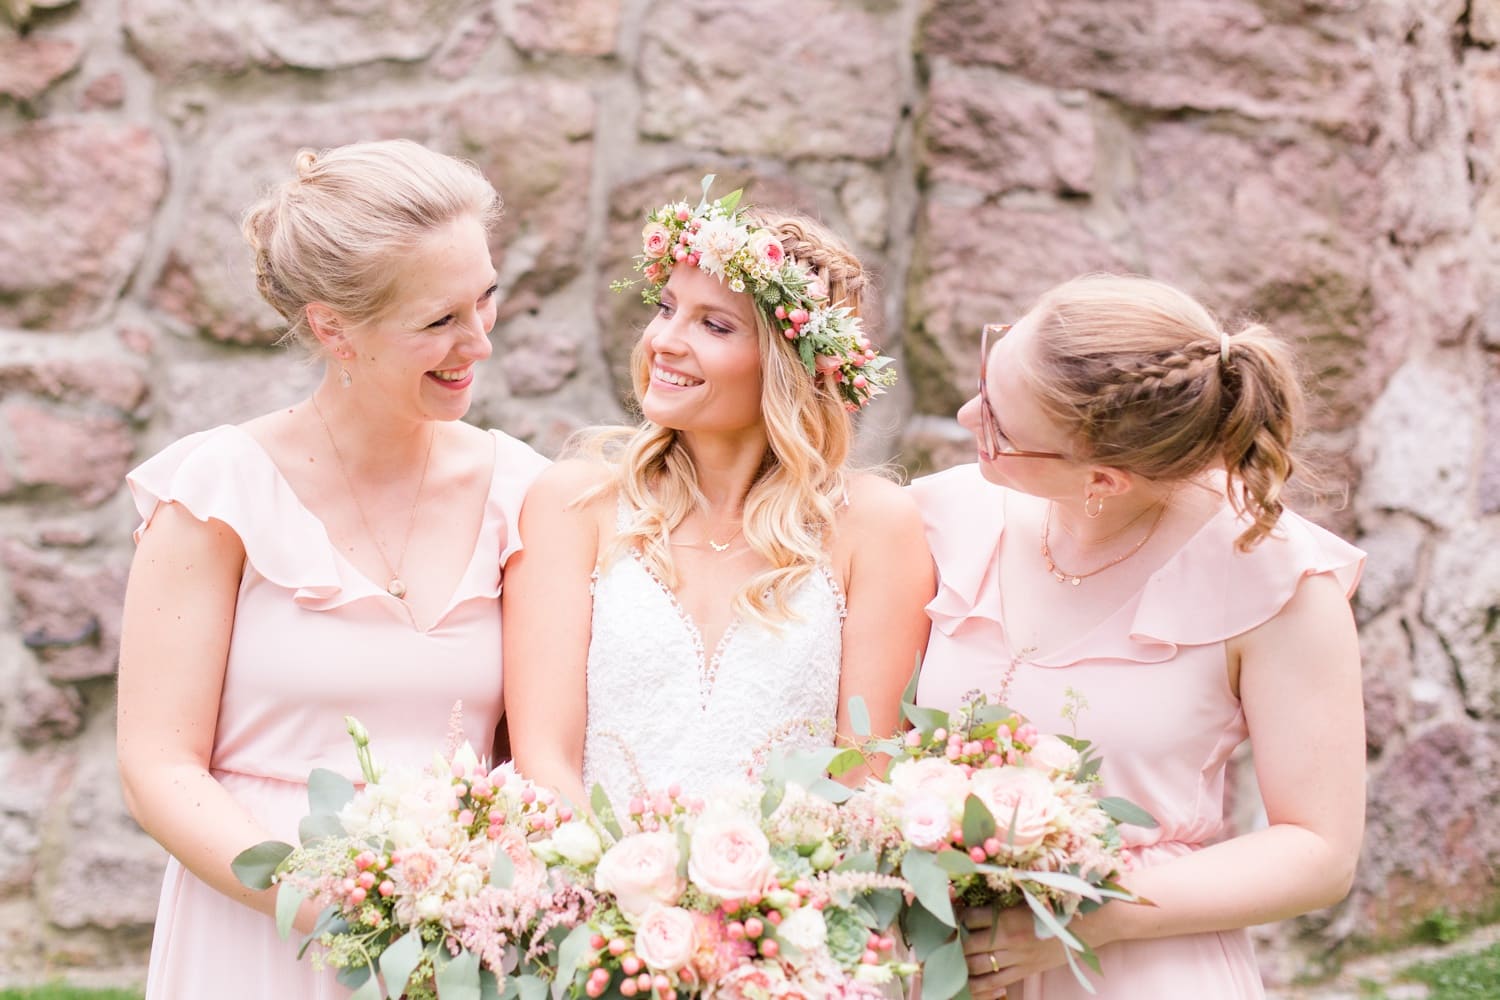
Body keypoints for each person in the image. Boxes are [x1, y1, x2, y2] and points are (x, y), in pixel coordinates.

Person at [116, 140, 549, 999]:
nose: (479, 343)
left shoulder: (521, 490)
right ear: (331, 327)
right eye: (438, 322)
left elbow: (538, 751)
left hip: (466, 935)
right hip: (259, 928)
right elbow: (158, 765)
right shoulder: (217, 493)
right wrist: (341, 910)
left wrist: (483, 902)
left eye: (486, 300)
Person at [910, 275, 1365, 999]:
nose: (967, 417)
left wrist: (1090, 921)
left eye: (998, 424)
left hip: (1139, 969)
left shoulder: (1278, 583)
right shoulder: (942, 518)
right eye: (984, 381)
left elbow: (1319, 851)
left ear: (1105, 479)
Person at [502, 178, 934, 810]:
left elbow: (864, 780)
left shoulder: (873, 527)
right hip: (590, 887)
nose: (664, 341)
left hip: (793, 898)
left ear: (788, 366)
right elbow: (543, 760)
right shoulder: (573, 504)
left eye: (715, 324)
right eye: (666, 307)